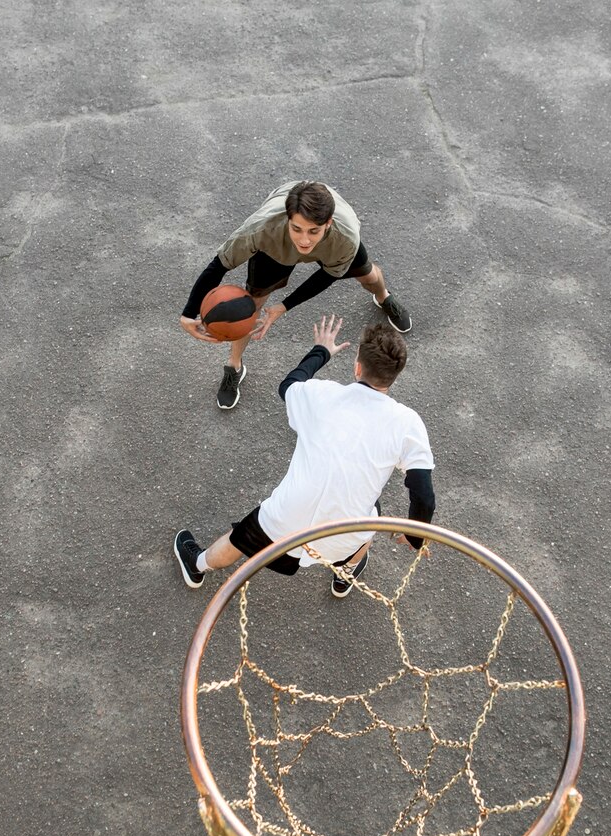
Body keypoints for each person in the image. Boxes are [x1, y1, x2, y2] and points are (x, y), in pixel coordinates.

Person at [174, 316, 434, 597]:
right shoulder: (409, 423)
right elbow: (423, 495)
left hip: (284, 522)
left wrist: (321, 350)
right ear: (395, 374)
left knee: (238, 540)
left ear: (357, 365)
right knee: (370, 515)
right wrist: (415, 537)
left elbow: (288, 384)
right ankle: (344, 574)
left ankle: (198, 565)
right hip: (344, 534)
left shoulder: (320, 394)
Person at [180, 180, 413, 410]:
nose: (304, 240)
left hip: (334, 243)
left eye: (313, 231)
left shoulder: (345, 238)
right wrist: (188, 314)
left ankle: (383, 297)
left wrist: (284, 306)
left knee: (370, 276)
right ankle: (234, 366)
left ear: (328, 223)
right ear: (287, 219)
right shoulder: (261, 229)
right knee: (251, 303)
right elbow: (218, 266)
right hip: (276, 249)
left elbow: (328, 275)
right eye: (297, 228)